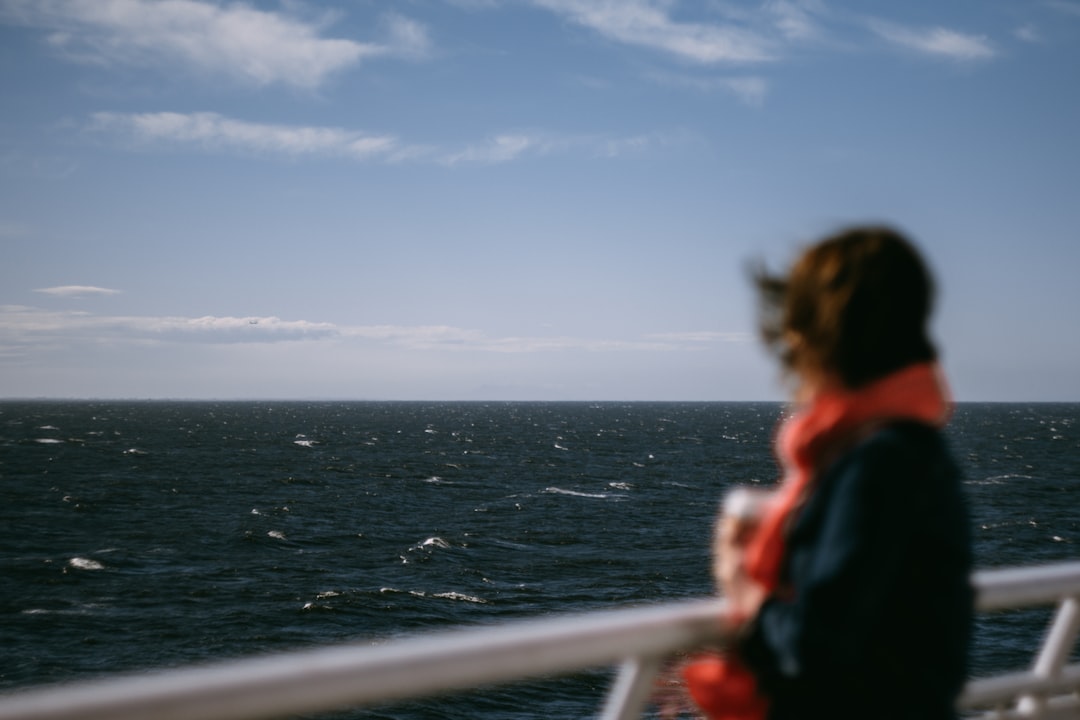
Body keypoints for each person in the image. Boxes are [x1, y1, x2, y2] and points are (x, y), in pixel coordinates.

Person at [682, 226, 973, 720]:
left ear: (821, 333)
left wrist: (745, 586)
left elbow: (818, 643)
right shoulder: (914, 451)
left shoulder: (879, 462)